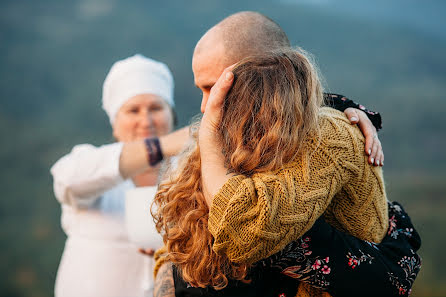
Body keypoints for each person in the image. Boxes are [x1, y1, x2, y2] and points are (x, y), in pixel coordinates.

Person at [152, 11, 420, 297]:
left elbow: (243, 230)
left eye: (212, 88)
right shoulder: (240, 137)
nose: (205, 106)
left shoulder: (328, 135)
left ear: (262, 73)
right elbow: (178, 246)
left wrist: (207, 138)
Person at [50, 54, 189, 297]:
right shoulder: (91, 163)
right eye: (133, 110)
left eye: (156, 108)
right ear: (115, 123)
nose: (145, 121)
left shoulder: (190, 171)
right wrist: (161, 146)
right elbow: (66, 182)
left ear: (171, 114)